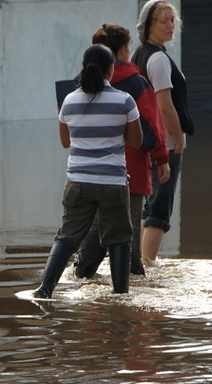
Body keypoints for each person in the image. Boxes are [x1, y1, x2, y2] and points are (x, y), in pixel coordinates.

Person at [33, 44, 142, 299]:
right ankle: (120, 296)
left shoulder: (69, 101)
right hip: (112, 183)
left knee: (67, 236)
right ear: (111, 70)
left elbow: (66, 142)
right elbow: (136, 141)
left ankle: (45, 289)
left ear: (84, 69)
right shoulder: (124, 100)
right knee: (118, 238)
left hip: (78, 182)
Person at [74, 23, 171, 280]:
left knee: (95, 230)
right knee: (127, 233)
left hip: (88, 174)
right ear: (124, 51)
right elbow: (152, 126)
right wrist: (162, 158)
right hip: (131, 171)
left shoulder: (78, 85)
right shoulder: (137, 84)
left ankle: (82, 274)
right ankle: (132, 282)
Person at [132, 0, 194, 267]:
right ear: (148, 26)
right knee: (160, 209)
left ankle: (138, 263)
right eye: (163, 21)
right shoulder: (157, 59)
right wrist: (179, 138)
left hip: (146, 143)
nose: (171, 26)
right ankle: (147, 265)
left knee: (148, 206)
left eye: (172, 20)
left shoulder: (140, 54)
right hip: (164, 144)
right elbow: (164, 105)